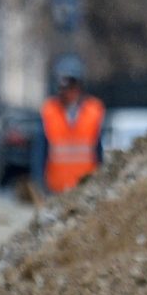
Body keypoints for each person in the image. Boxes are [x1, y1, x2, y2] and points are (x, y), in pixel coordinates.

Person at [34, 56, 106, 195]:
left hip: (86, 188)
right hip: (56, 188)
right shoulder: (49, 112)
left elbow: (98, 151)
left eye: (72, 86)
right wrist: (39, 182)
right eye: (64, 87)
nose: (68, 92)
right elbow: (40, 152)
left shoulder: (93, 111)